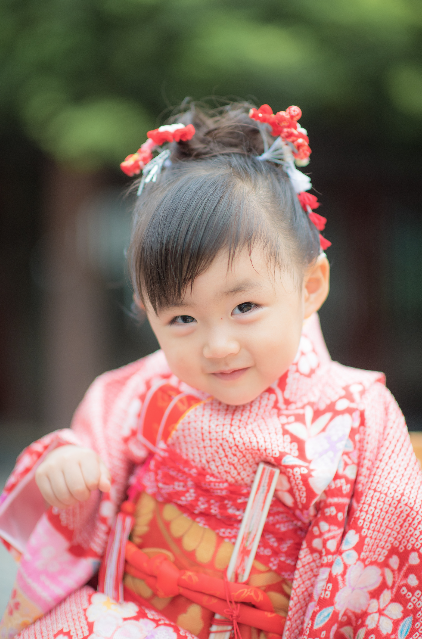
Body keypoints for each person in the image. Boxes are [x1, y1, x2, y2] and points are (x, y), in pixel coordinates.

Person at [0, 101, 421, 639]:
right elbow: (84, 479)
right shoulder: (135, 391)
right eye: (181, 317)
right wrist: (68, 467)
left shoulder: (359, 417)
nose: (218, 346)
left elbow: (384, 554)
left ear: (310, 286)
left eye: (244, 307)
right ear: (145, 311)